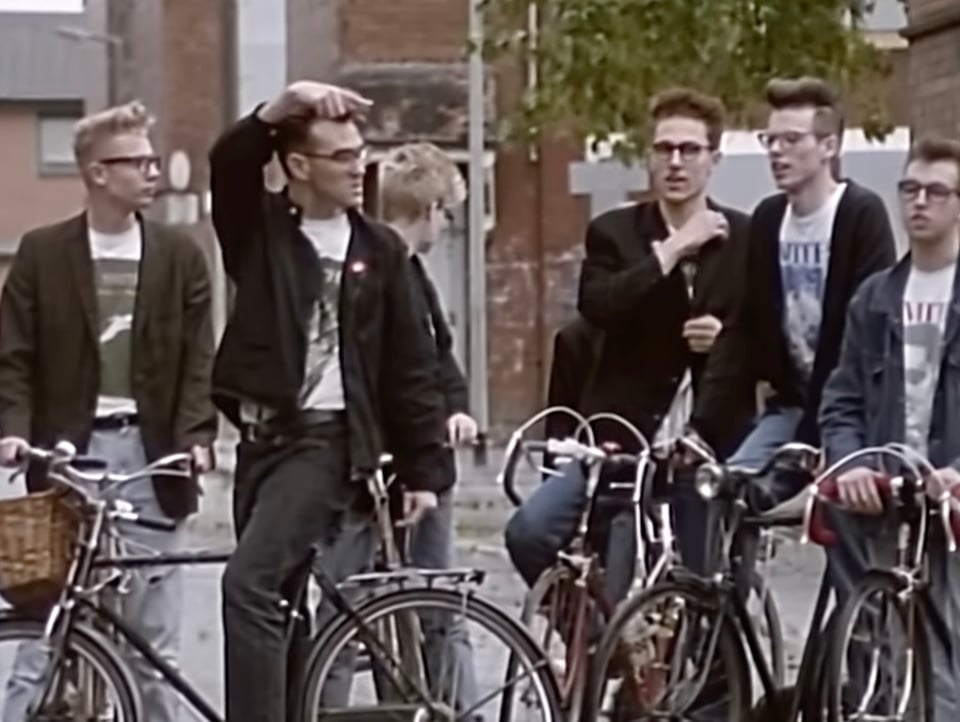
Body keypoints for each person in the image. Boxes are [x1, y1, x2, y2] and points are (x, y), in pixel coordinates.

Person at [209, 80, 448, 722]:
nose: (357, 167)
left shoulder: (381, 249)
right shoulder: (260, 236)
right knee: (282, 601)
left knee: (248, 587)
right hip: (264, 443)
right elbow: (227, 166)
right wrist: (275, 112)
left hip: (329, 443)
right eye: (341, 156)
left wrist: (424, 470)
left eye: (359, 153)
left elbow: (411, 367)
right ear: (297, 167)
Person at [0, 101, 217, 722]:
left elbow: (199, 358)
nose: (153, 172)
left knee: (152, 643)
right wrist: (15, 432)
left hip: (153, 460)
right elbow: (13, 355)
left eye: (154, 160)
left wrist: (196, 435)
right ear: (98, 173)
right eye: (138, 162)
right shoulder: (43, 255)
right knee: (48, 629)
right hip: (70, 459)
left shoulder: (180, 257)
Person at [505, 87, 755, 605]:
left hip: (703, 448)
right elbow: (601, 306)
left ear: (714, 161)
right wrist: (673, 249)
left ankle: (710, 682)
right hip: (619, 446)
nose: (676, 162)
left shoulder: (746, 237)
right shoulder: (615, 233)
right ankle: (602, 644)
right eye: (664, 149)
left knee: (706, 593)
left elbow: (766, 340)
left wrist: (726, 339)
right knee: (530, 531)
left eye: (690, 150)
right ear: (649, 157)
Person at [694, 76, 897, 507]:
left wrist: (819, 439)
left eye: (790, 139)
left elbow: (862, 337)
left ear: (829, 146)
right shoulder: (768, 220)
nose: (776, 151)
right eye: (770, 140)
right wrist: (701, 427)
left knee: (846, 521)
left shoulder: (860, 214)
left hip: (854, 414)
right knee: (725, 492)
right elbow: (743, 328)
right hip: (792, 408)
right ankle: (738, 576)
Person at [819, 135, 960, 720]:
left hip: (949, 508)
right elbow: (842, 398)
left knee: (942, 655)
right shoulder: (874, 298)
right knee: (872, 653)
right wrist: (850, 461)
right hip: (883, 499)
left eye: (936, 191)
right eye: (909, 189)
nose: (919, 202)